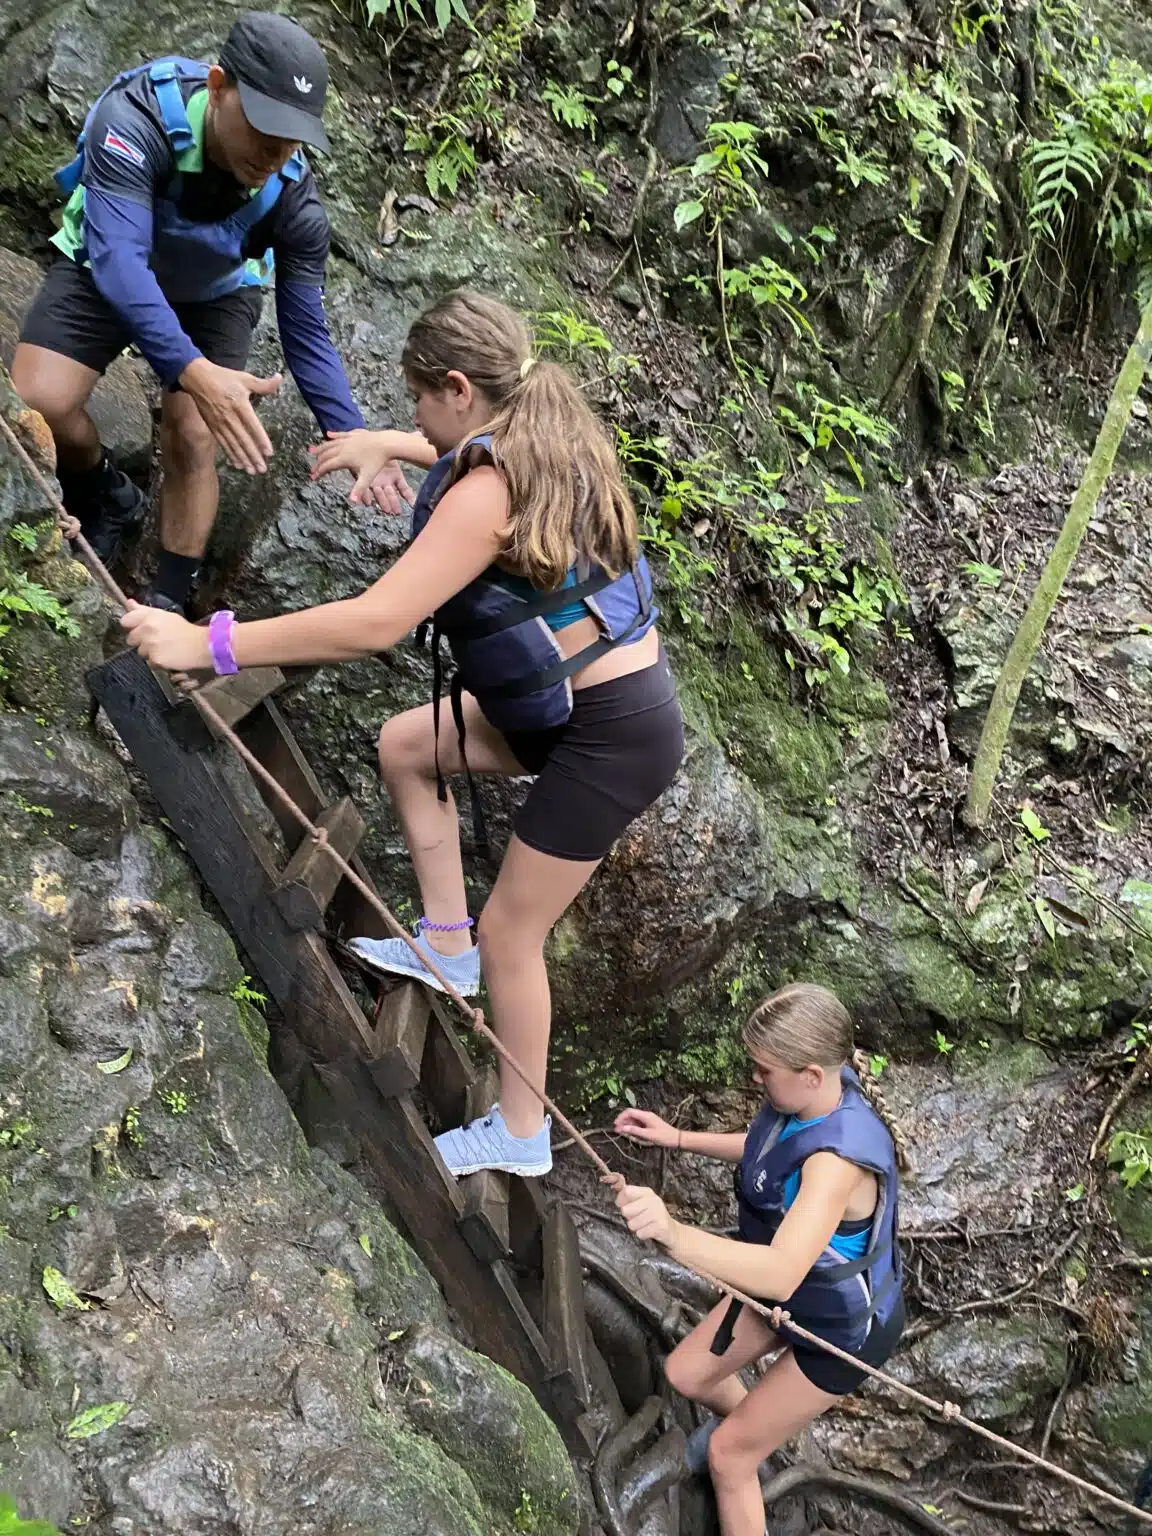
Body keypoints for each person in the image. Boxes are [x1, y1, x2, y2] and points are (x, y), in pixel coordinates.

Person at [120, 289, 685, 1178]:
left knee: (517, 934)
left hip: (612, 735)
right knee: (405, 745)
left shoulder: (488, 488)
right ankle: (446, 949)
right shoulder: (547, 428)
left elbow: (375, 622)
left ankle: (523, 1134)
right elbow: (449, 447)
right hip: (582, 709)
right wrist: (388, 441)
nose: (416, 414)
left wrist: (210, 641)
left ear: (461, 389)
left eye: (420, 399)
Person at [11, 11, 409, 609]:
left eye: (292, 138)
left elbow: (305, 328)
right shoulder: (135, 119)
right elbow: (119, 261)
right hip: (108, 263)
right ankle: (107, 494)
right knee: (39, 401)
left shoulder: (295, 202)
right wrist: (197, 374)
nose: (275, 153)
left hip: (215, 290)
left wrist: (352, 433)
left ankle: (169, 600)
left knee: (195, 432)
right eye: (262, 128)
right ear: (219, 86)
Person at [612, 983, 905, 1536]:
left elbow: (779, 1270)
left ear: (813, 1074)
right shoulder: (809, 1100)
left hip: (841, 1331)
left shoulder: (836, 1165)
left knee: (728, 1457)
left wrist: (673, 1233)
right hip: (789, 1294)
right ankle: (758, 1425)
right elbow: (766, 1152)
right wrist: (676, 1138)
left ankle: (743, 1448)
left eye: (764, 1070)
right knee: (685, 1373)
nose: (756, 1078)